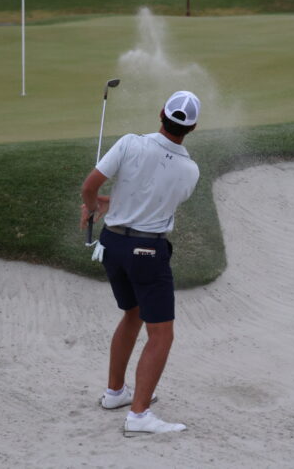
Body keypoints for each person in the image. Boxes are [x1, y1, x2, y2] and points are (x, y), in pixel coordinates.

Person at [79, 90, 201, 435]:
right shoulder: (189, 170)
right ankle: (139, 415)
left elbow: (90, 187)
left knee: (132, 314)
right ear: (192, 128)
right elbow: (157, 198)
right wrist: (113, 201)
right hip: (148, 254)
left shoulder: (129, 143)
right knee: (161, 334)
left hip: (112, 245)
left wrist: (94, 205)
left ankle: (115, 393)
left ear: (161, 113)